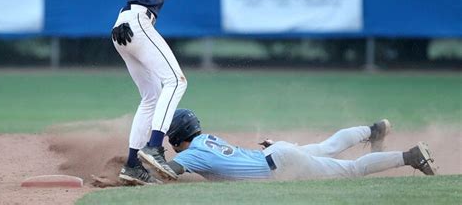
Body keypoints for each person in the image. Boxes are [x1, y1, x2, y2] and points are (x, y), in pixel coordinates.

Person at [109, 0, 268, 185]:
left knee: (152, 97)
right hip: (135, 22)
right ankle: (154, 148)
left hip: (130, 26)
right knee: (177, 81)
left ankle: (133, 165)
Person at [146, 109, 438, 182]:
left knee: (350, 170)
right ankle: (372, 130)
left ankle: (411, 156)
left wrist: (137, 172)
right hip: (276, 153)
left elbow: (165, 171)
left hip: (280, 164)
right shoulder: (206, 139)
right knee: (327, 147)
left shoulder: (194, 153)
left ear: (176, 137)